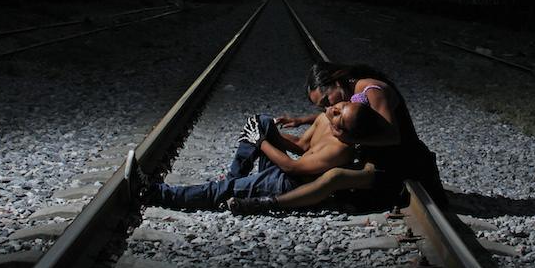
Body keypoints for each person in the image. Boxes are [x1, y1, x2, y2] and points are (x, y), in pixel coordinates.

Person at [228, 60, 446, 215]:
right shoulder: (352, 90)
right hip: (378, 157)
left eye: (326, 100)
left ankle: (268, 204)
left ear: (336, 81)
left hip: (399, 161)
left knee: (335, 177)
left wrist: (351, 141)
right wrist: (303, 120)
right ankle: (245, 184)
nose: (329, 108)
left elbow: (393, 136)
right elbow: (346, 114)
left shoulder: (371, 89)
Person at [128, 104, 365, 211]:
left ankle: (153, 193)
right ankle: (233, 180)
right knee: (261, 120)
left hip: (285, 184)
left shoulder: (340, 150)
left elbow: (292, 168)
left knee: (221, 188)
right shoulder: (326, 120)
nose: (332, 109)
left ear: (341, 131)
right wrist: (263, 132)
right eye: (340, 106)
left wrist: (260, 142)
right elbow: (302, 145)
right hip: (281, 172)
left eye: (338, 116)